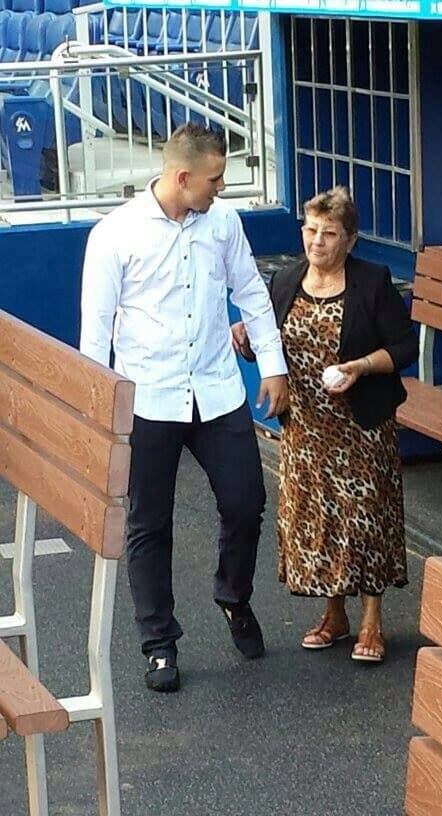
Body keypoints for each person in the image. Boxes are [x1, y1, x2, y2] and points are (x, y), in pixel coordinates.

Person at [80, 124, 288, 693]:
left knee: (246, 502)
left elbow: (250, 292)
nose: (223, 188)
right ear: (182, 177)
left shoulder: (223, 223)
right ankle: (159, 643)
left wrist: (274, 367)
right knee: (150, 522)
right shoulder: (114, 235)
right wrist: (97, 414)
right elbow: (95, 334)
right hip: (148, 396)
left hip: (218, 389)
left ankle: (233, 596)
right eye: (215, 178)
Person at [265, 185, 416, 662]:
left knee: (364, 520)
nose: (317, 242)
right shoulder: (286, 281)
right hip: (306, 429)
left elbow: (403, 348)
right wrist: (247, 340)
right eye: (310, 230)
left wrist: (360, 367)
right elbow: (271, 345)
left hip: (360, 427)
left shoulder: (372, 282)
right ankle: (334, 614)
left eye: (329, 233)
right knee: (322, 520)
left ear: (349, 239)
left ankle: (372, 621)